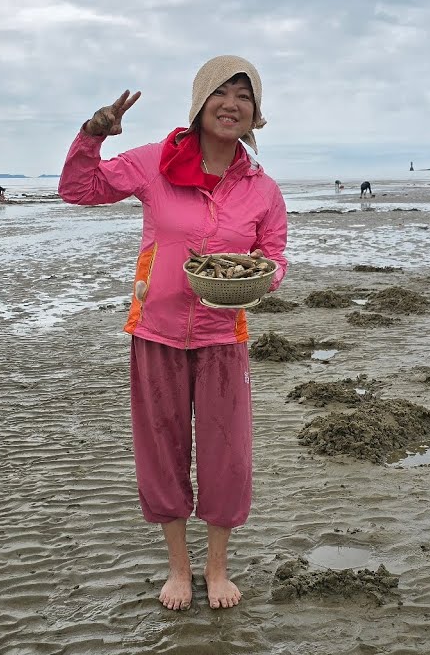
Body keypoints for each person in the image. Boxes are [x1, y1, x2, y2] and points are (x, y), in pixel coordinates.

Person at [58, 55, 288, 612]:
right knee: (162, 453)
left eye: (244, 96)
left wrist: (258, 279)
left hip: (222, 335)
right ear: (200, 103)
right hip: (156, 331)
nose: (231, 105)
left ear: (255, 114)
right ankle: (179, 570)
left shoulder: (262, 189)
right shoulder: (154, 163)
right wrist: (93, 134)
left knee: (227, 457)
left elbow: (274, 256)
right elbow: (79, 188)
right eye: (221, 93)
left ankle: (217, 569)